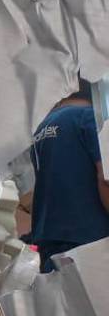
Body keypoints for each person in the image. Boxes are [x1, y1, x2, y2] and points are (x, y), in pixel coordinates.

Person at [28, 78, 109, 272]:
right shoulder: (90, 119)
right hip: (90, 243)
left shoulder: (40, 130)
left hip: (49, 242)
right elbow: (105, 178)